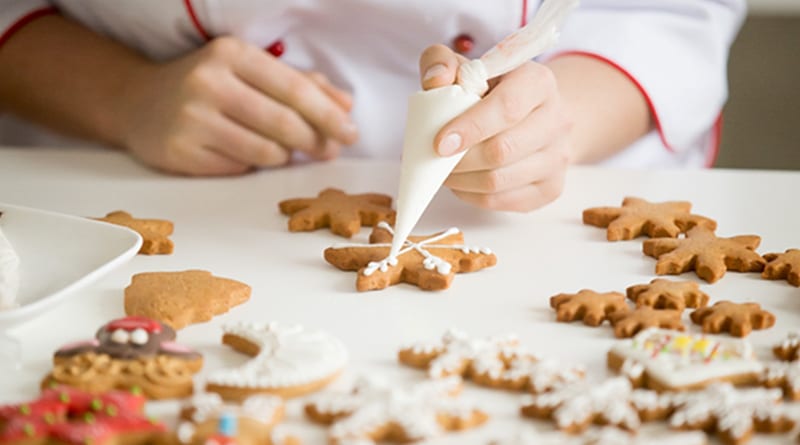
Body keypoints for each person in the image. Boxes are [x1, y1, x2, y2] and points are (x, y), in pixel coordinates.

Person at [0, 1, 745, 212]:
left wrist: (554, 123)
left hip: (545, 208)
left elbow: (672, 13)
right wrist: (122, 95)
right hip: (101, 183)